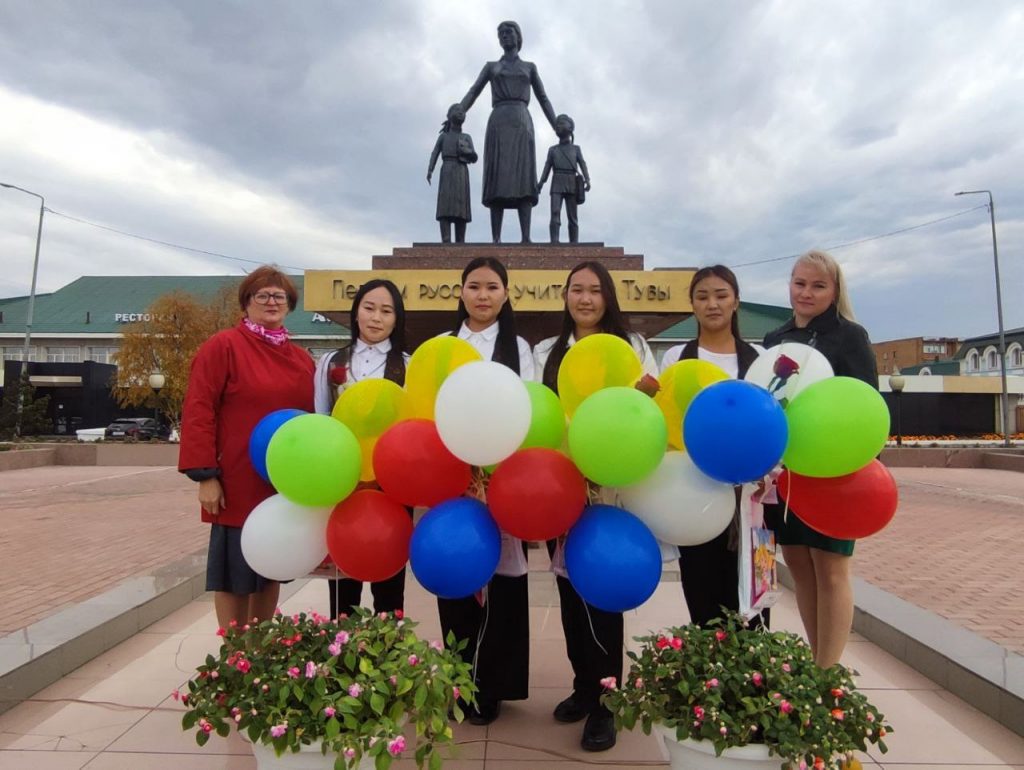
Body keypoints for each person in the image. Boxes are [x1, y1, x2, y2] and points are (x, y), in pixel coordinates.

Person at [533, 261, 657, 752]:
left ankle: (608, 700)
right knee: (568, 588)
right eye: (576, 290)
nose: (585, 299)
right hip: (559, 485)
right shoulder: (547, 351)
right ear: (565, 296)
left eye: (594, 290)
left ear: (608, 296)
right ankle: (584, 685)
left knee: (603, 586)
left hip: (609, 484)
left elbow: (648, 403)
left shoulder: (632, 347)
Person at [178, 266, 314, 630]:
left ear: (289, 305)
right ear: (246, 302)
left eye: (279, 296)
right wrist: (205, 476)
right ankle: (235, 653)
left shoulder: (302, 359)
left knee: (270, 569)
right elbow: (199, 410)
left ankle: (261, 648)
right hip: (235, 482)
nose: (271, 302)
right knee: (233, 575)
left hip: (280, 484)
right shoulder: (223, 347)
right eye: (262, 295)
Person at [762, 250, 878, 668]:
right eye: (800, 283)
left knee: (831, 569)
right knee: (798, 564)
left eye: (818, 285)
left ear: (835, 290)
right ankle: (817, 663)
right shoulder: (775, 340)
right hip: (789, 473)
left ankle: (828, 673)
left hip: (835, 471)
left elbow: (866, 406)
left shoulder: (851, 337)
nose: (806, 293)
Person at [436, 256, 534, 726]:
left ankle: (493, 685)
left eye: (492, 286)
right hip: (451, 479)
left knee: (503, 585)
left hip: (503, 479)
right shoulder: (442, 346)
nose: (482, 295)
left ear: (506, 294)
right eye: (474, 286)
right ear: (460, 292)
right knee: (457, 572)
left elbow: (529, 408)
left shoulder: (520, 348)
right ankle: (458, 682)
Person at [660, 265, 769, 630]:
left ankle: (760, 664)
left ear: (736, 301)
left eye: (721, 295)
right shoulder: (677, 357)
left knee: (756, 597)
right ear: (692, 304)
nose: (712, 304)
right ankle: (707, 662)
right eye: (703, 296)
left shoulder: (759, 358)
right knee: (702, 592)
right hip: (697, 493)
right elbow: (670, 421)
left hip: (754, 500)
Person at [312, 279, 410, 619]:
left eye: (386, 311)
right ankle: (342, 646)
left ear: (396, 319)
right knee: (344, 581)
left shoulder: (407, 365)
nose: (376, 318)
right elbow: (321, 419)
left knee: (389, 578)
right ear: (356, 313)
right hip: (344, 482)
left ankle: (391, 648)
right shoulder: (331, 362)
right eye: (369, 308)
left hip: (392, 485)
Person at [459, 20, 558, 244]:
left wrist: (556, 125)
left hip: (521, 122)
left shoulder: (529, 67)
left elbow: (543, 98)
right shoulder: (491, 67)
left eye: (509, 32)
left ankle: (526, 237)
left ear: (518, 36)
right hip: (499, 121)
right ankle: (496, 238)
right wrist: (458, 111)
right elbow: (473, 92)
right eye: (501, 34)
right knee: (497, 177)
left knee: (524, 177)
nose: (504, 36)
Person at [427, 103, 478, 244]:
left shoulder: (466, 137)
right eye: (457, 110)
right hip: (447, 170)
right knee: (445, 206)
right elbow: (435, 153)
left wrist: (467, 152)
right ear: (449, 116)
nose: (461, 112)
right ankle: (446, 240)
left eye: (463, 111)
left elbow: (474, 157)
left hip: (461, 171)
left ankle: (460, 242)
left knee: (461, 209)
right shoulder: (443, 137)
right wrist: (430, 169)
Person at [537, 114, 590, 243]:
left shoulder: (576, 149)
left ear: (570, 128)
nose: (558, 126)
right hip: (557, 181)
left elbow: (582, 163)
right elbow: (547, 167)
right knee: (555, 212)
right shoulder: (553, 150)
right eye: (557, 124)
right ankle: (554, 241)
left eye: (562, 123)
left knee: (572, 216)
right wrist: (541, 183)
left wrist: (587, 179)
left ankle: (574, 243)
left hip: (572, 182)